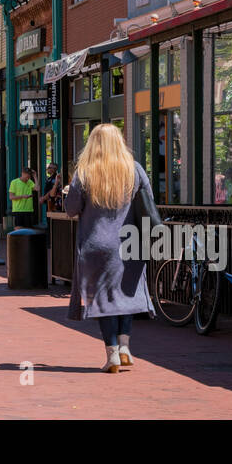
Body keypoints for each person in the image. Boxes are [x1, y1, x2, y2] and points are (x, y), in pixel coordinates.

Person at [64, 123, 159, 373]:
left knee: (104, 301)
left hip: (97, 246)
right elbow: (148, 202)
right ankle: (125, 347)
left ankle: (112, 354)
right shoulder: (134, 170)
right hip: (129, 243)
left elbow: (71, 209)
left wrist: (69, 193)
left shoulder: (84, 173)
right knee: (125, 296)